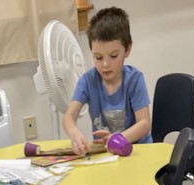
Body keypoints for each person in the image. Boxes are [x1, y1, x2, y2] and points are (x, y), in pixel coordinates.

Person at [63, 6, 151, 157]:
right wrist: (75, 134)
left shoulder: (134, 79)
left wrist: (117, 138)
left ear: (127, 50)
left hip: (137, 152)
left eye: (114, 56)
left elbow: (144, 124)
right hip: (106, 155)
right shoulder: (88, 81)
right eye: (98, 57)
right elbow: (68, 116)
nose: (105, 64)